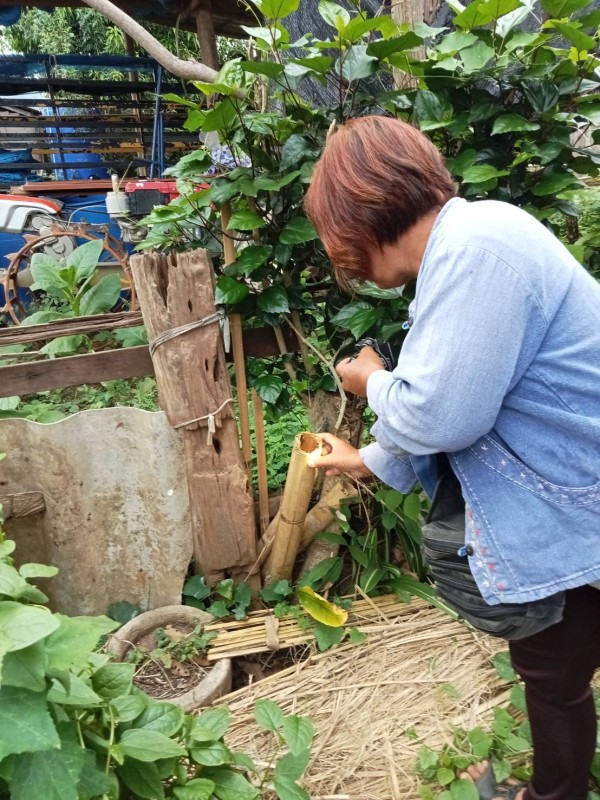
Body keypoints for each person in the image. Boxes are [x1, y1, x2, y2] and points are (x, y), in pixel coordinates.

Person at [304, 115, 600, 800]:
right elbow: (462, 399)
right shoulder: (472, 244)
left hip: (572, 499)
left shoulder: (476, 250)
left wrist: (368, 380)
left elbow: (443, 414)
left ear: (359, 215)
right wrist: (372, 460)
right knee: (560, 672)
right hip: (575, 491)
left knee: (554, 676)